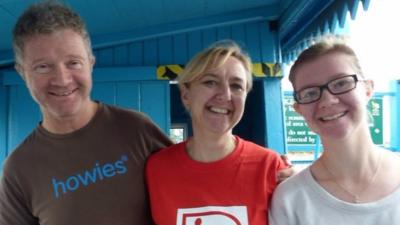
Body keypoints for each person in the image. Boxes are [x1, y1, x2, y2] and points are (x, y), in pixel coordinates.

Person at [0, 1, 172, 225]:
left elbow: (191, 193)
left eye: (73, 62)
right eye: (43, 66)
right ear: (23, 73)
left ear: (90, 63)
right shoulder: (18, 169)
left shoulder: (136, 129)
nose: (62, 79)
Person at [146, 40, 289, 225]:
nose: (225, 95)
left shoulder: (270, 167)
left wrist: (304, 185)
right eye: (210, 82)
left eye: (237, 86)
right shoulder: (156, 169)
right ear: (186, 95)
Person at [269, 35, 400, 225]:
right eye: (310, 93)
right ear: (299, 109)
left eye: (341, 83)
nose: (328, 100)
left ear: (368, 89)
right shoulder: (291, 199)